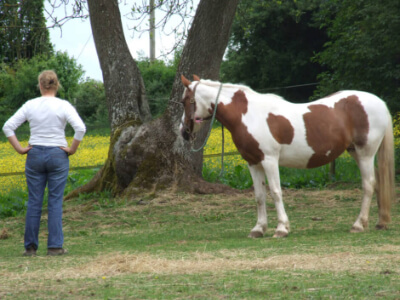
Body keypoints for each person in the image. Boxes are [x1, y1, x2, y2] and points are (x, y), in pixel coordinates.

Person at [2, 70, 86, 256]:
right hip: (58, 154)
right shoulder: (64, 106)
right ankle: (55, 247)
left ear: (40, 85)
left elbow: (8, 126)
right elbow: (80, 128)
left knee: (34, 201)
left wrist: (19, 149)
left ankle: (30, 248)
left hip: (35, 155)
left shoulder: (30, 105)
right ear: (56, 86)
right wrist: (72, 149)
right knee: (55, 201)